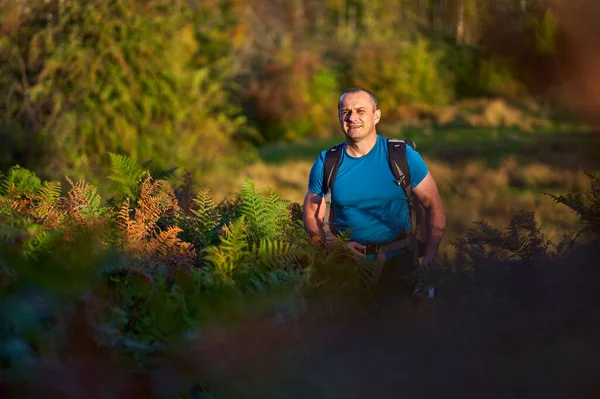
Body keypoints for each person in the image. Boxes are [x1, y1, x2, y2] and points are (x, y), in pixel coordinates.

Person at [302, 87, 446, 299]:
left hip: (400, 263)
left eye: (361, 111)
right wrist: (334, 246)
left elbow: (433, 205)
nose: (352, 118)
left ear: (376, 115)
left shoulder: (402, 156)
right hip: (347, 269)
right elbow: (312, 213)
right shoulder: (327, 162)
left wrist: (431, 257)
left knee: (396, 328)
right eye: (345, 112)